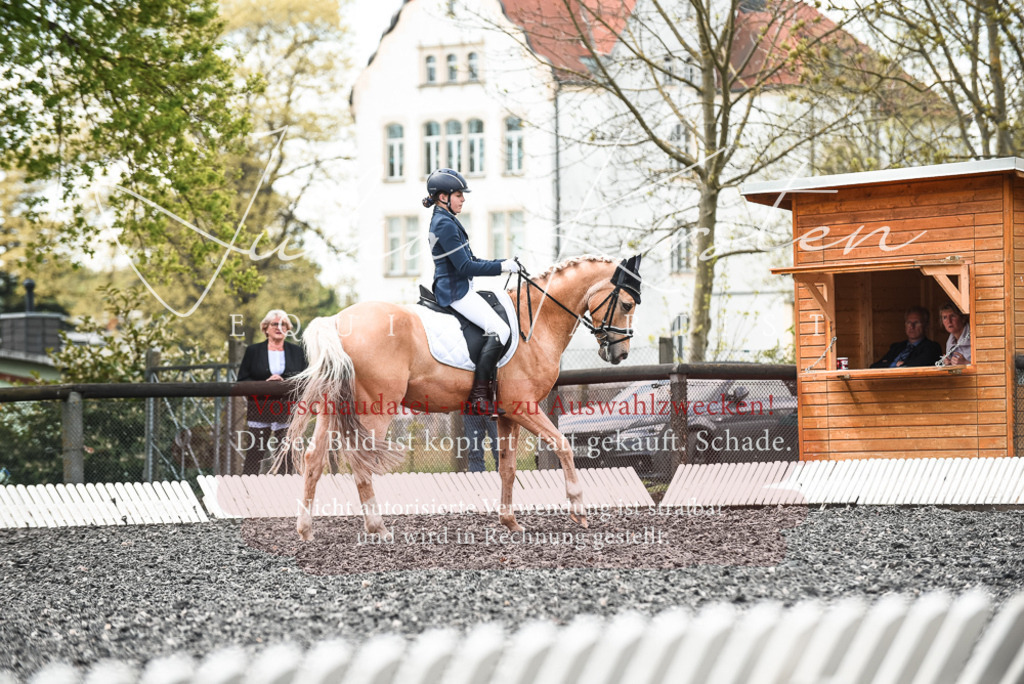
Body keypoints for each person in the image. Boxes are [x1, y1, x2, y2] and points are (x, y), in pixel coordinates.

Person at [423, 168, 520, 416]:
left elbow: (471, 258)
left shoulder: (447, 219)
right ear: (443, 196)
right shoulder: (443, 223)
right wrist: (501, 267)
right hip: (454, 291)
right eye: (458, 194)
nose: (463, 199)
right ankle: (478, 396)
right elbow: (465, 266)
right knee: (501, 329)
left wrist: (503, 261)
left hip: (459, 286)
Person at [237, 310, 308, 474]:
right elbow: (242, 380)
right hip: (260, 408)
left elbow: (305, 380)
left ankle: (284, 491)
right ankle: (248, 489)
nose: (279, 327)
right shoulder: (253, 351)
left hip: (286, 410)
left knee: (286, 454)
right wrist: (264, 385)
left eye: (283, 324)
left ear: (288, 328)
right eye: (275, 324)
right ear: (266, 328)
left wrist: (285, 384)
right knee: (255, 452)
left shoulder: (298, 352)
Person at [869, 306, 942, 368]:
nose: (912, 327)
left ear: (926, 326)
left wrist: (890, 363)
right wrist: (896, 364)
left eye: (916, 323)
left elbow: (917, 366)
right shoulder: (896, 347)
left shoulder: (932, 347)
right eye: (908, 323)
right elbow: (874, 367)